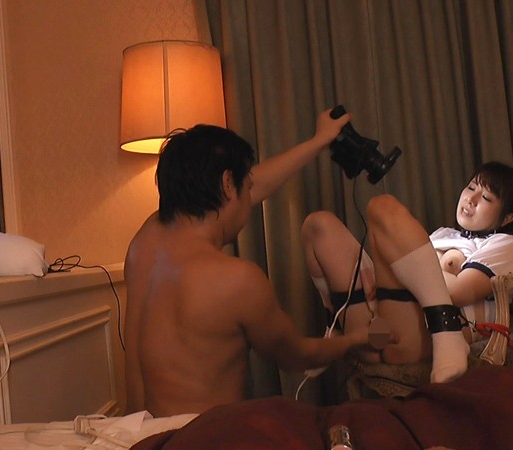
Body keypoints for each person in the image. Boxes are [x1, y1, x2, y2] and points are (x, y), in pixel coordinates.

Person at [124, 109, 365, 418]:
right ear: (228, 183)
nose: (250, 199)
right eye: (246, 187)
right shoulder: (236, 279)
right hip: (198, 437)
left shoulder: (144, 241)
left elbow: (250, 185)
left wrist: (319, 141)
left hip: (137, 434)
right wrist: (355, 339)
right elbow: (297, 355)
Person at [301, 161, 513, 383]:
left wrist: (403, 273)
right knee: (318, 225)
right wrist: (391, 277)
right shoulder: (442, 234)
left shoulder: (505, 244)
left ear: (507, 218)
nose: (471, 199)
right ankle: (336, 324)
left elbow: (460, 292)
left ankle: (447, 334)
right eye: (471, 187)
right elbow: (414, 275)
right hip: (372, 330)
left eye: (486, 198)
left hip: (418, 334)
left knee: (382, 206)